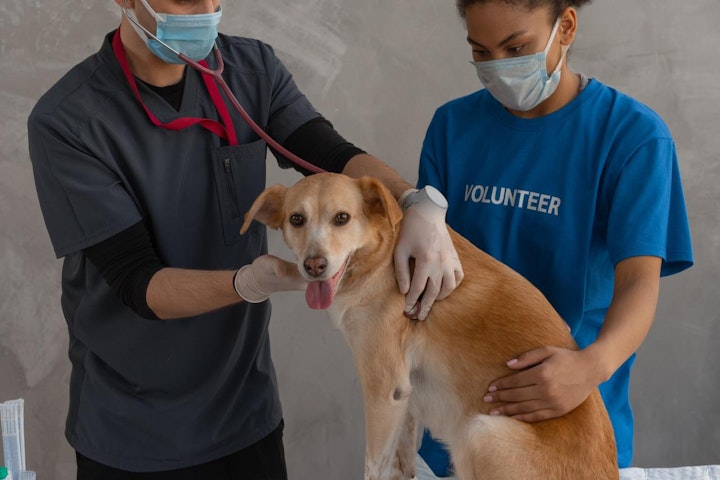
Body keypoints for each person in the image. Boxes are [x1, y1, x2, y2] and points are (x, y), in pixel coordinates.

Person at [27, 1, 463, 478]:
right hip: (132, 427)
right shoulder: (69, 120)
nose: (207, 11)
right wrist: (246, 284)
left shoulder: (250, 70)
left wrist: (415, 202)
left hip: (243, 413)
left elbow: (331, 154)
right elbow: (138, 281)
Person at [415, 0, 693, 477]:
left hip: (568, 429)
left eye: (516, 47)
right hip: (453, 433)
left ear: (565, 26)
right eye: (481, 52)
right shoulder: (451, 128)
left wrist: (590, 368)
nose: (499, 67)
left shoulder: (632, 138)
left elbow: (639, 286)